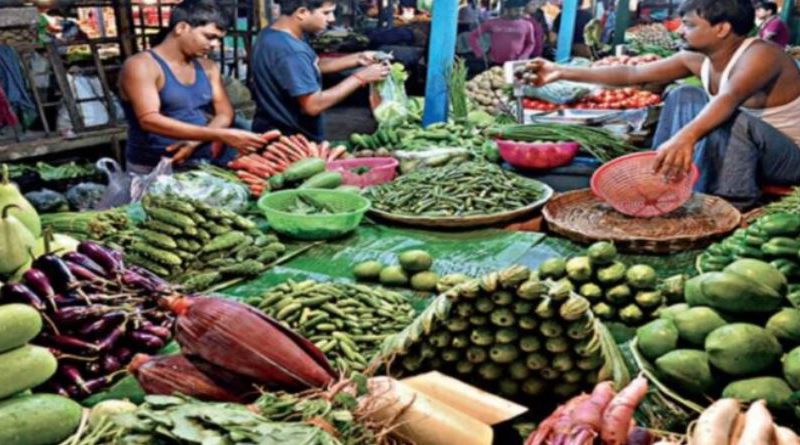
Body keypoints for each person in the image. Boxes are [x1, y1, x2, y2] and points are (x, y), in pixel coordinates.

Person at [529, 0, 800, 209]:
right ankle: (664, 181)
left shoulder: (761, 54)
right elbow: (633, 75)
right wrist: (560, 72)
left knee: (725, 115)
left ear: (721, 28)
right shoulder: (696, 59)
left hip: (786, 160)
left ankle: (731, 202)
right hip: (747, 152)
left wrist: (686, 137)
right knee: (683, 95)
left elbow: (729, 98)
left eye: (689, 25)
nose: (681, 31)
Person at [119, 0, 265, 174]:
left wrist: (194, 142)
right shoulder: (141, 65)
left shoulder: (208, 67)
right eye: (209, 37)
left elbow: (225, 113)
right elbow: (149, 120)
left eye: (219, 39)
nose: (214, 45)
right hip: (153, 166)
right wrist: (221, 135)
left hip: (201, 160)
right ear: (181, 28)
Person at [250, 0, 390, 141]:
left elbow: (309, 67)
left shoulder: (273, 33)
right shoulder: (291, 51)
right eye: (326, 13)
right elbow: (313, 105)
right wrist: (360, 77)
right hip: (290, 142)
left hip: (271, 129)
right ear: (302, 13)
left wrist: (358, 58)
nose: (332, 19)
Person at [467, 5, 538, 65]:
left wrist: (524, 56)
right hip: (494, 62)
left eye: (522, 10)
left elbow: (531, 43)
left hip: (515, 63)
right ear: (507, 9)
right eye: (516, 10)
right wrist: (480, 53)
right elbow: (473, 36)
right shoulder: (492, 23)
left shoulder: (527, 25)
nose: (519, 13)